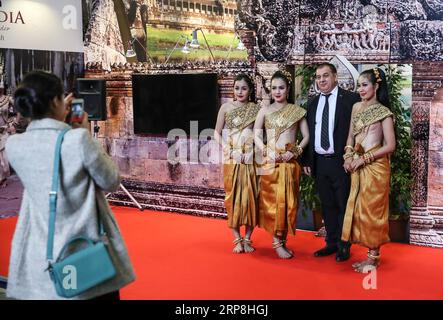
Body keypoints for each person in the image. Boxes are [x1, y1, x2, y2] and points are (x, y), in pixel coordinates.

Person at [5, 70, 135, 300]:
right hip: (85, 253)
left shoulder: (15, 145)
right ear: (57, 101)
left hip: (40, 258)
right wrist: (82, 132)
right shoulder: (78, 140)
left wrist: (56, 119)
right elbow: (111, 180)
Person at [302, 63, 360, 262]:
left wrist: (352, 157)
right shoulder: (312, 102)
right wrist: (307, 160)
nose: (321, 80)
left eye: (325, 76)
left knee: (343, 204)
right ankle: (331, 243)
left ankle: (344, 245)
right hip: (320, 162)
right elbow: (309, 134)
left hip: (341, 162)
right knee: (327, 205)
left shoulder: (351, 99)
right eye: (318, 77)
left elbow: (358, 132)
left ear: (335, 76)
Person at [341, 67, 395, 272]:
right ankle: (369, 255)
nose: (360, 89)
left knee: (373, 211)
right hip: (356, 165)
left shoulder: (384, 112)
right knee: (360, 210)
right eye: (359, 86)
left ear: (376, 86)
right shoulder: (356, 107)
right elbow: (350, 137)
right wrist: (347, 156)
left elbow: (390, 145)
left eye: (365, 85)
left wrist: (364, 158)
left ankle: (373, 258)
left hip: (375, 168)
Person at [254, 70, 309, 259]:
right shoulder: (264, 111)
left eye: (281, 88)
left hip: (289, 163)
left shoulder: (297, 111)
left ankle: (282, 241)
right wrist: (266, 151)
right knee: (272, 203)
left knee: (289, 203)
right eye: (274, 88)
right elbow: (256, 134)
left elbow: (306, 137)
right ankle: (277, 243)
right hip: (270, 162)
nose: (277, 92)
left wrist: (293, 152)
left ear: (288, 89)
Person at [214, 74, 261, 253]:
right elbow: (216, 133)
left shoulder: (256, 109)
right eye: (236, 88)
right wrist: (229, 149)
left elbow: (260, 136)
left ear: (250, 91)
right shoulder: (225, 107)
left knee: (250, 197)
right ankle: (236, 238)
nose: (239, 92)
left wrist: (252, 152)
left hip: (249, 159)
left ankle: (248, 238)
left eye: (243, 88)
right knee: (232, 198)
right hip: (231, 158)